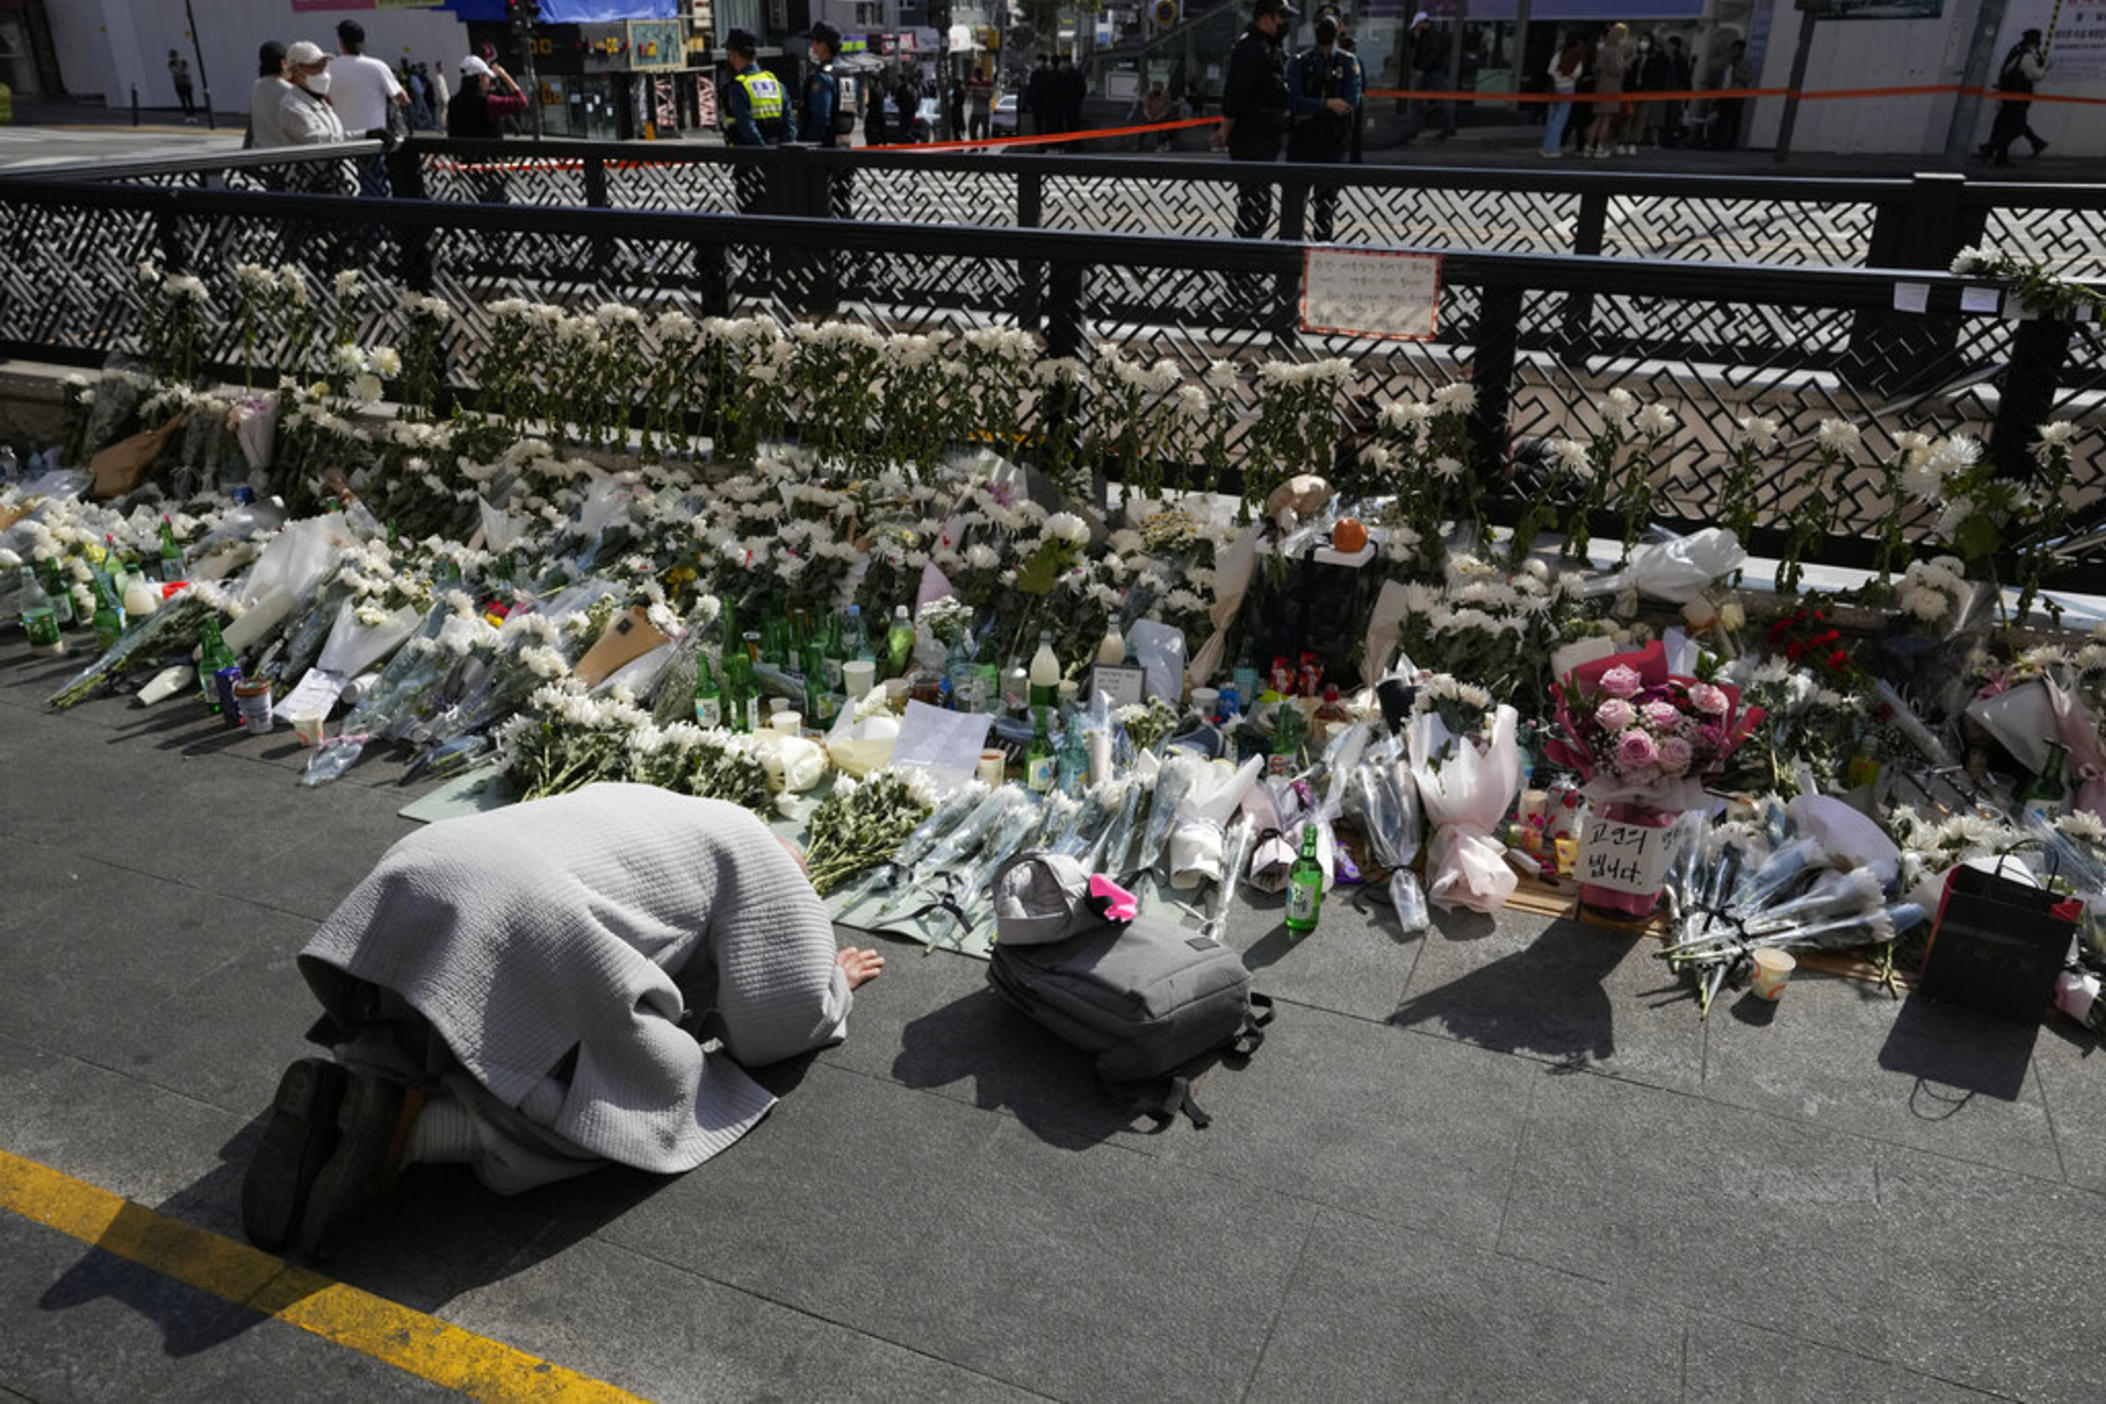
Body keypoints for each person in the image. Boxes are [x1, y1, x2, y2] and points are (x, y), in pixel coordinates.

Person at [239, 786, 886, 1257]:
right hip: (524, 914)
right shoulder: (770, 867)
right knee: (635, 1099)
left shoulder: (671, 807)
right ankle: (410, 1135)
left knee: (452, 1010)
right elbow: (781, 1021)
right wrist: (834, 982)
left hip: (419, 870)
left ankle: (361, 1081)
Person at [1222, 0, 1296, 240]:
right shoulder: (1249, 47)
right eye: (1280, 17)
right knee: (1254, 208)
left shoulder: (1269, 46)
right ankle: (1240, 270)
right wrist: (1225, 130)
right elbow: (1236, 94)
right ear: (1266, 17)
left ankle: (1244, 270)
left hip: (1266, 137)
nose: (1284, 23)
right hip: (1250, 138)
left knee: (1258, 208)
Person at [1285, 13, 1360, 242]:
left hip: (1332, 143)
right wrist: (1327, 104)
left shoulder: (1348, 62)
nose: (1325, 31)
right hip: (1303, 142)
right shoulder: (1300, 61)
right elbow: (1295, 102)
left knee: (1325, 209)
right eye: (1321, 27)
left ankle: (1320, 260)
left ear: (1338, 30)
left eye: (1329, 26)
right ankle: (1289, 264)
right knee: (1293, 207)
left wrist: (1314, 107)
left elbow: (1350, 103)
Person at [331, 21, 409, 197]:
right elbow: (403, 99)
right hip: (373, 139)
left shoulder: (330, 68)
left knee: (348, 186)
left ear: (340, 42)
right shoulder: (377, 66)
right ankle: (379, 223)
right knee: (375, 186)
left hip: (342, 140)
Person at [1983, 29, 2049, 165]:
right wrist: (2045, 69)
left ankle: (1996, 152)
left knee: (2004, 123)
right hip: (2019, 97)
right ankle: (1993, 148)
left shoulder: (2017, 51)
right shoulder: (2027, 55)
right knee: (2017, 126)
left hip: (2009, 94)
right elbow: (2034, 74)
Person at [1582, 22, 1626, 158]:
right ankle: (1600, 147)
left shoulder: (1602, 51)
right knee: (1606, 119)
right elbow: (1615, 70)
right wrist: (1625, 65)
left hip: (1600, 87)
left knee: (1597, 119)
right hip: (1612, 88)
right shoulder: (1615, 51)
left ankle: (1588, 146)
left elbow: (1598, 69)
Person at [1540, 32, 1584, 158]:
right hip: (1568, 88)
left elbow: (1551, 71)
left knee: (1553, 118)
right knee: (1560, 119)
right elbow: (1576, 74)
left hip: (1556, 88)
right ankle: (1552, 149)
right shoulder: (1576, 55)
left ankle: (1546, 146)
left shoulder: (1559, 55)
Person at [245, 42, 292, 152]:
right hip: (284, 157)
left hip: (259, 154)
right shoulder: (289, 90)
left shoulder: (256, 86)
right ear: (283, 63)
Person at [1710, 40, 1749, 150]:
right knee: (1722, 118)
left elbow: (1747, 78)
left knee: (1734, 120)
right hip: (1724, 94)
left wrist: (1737, 72)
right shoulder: (1727, 62)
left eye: (1738, 50)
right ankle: (1717, 142)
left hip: (1736, 95)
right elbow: (1715, 68)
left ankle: (1731, 144)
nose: (1736, 52)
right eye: (1734, 50)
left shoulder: (1745, 63)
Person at [1660, 35, 1691, 148]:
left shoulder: (1679, 59)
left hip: (1675, 90)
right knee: (1668, 115)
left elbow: (1684, 77)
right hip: (1668, 90)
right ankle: (1667, 136)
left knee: (1673, 115)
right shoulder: (1668, 58)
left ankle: (1671, 137)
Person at [1057, 54, 1086, 140]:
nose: (1063, 65)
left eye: (1064, 62)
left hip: (1071, 104)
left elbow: (1082, 89)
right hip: (1069, 104)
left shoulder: (1072, 75)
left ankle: (1073, 143)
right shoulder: (1072, 74)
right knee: (1070, 125)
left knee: (1072, 125)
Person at [1025, 55, 1054, 137]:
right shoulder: (1034, 75)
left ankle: (1047, 144)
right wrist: (1029, 103)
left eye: (1040, 61)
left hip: (1046, 104)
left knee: (1047, 126)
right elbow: (1030, 89)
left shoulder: (1049, 75)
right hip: (1036, 104)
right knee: (1038, 126)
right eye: (1037, 61)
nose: (1038, 63)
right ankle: (1040, 145)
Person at [168, 50, 196, 118]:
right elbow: (174, 71)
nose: (173, 58)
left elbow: (186, 71)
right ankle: (187, 115)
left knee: (190, 99)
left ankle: (193, 115)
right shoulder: (171, 63)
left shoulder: (183, 61)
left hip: (186, 83)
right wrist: (181, 72)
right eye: (171, 56)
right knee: (183, 100)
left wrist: (180, 72)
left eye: (173, 56)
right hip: (178, 84)